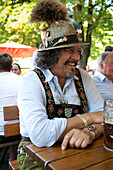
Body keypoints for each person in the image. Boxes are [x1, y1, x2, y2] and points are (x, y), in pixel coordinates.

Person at [17, 0, 104, 169]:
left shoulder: (83, 77)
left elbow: (106, 116)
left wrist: (90, 131)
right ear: (52, 54)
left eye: (78, 51)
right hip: (33, 152)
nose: (77, 57)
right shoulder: (31, 80)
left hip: (77, 149)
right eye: (69, 51)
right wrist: (89, 118)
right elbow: (40, 135)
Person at [0, 53, 21, 168]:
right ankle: (12, 160)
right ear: (10, 66)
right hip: (18, 131)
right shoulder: (21, 80)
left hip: (1, 133)